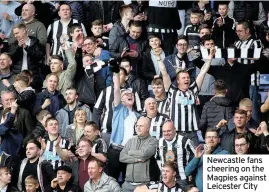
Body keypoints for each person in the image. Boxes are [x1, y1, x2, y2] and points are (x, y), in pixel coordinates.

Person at [157, 44, 215, 146]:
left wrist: (210, 58)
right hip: (176, 133)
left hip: (192, 133)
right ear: (178, 81)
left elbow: (203, 72)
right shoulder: (172, 90)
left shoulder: (193, 90)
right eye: (183, 78)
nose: (187, 79)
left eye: (188, 77)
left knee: (196, 158)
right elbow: (164, 72)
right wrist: (158, 57)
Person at [107, 68, 141, 181]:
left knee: (129, 181)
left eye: (131, 94)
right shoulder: (118, 109)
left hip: (130, 152)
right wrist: (115, 71)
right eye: (126, 94)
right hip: (116, 150)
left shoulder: (138, 116)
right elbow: (116, 89)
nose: (129, 95)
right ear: (120, 100)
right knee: (112, 181)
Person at [234, 20, 263, 123]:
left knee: (253, 110)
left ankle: (256, 135)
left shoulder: (256, 42)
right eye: (236, 31)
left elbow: (258, 58)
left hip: (252, 81)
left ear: (247, 30)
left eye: (240, 31)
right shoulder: (236, 43)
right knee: (240, 110)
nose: (237, 33)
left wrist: (240, 55)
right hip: (239, 82)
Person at [120, 116, 158, 191]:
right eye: (137, 125)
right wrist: (136, 159)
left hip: (143, 185)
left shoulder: (153, 141)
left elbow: (144, 154)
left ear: (148, 128)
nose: (138, 128)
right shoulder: (131, 140)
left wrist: (129, 152)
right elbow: (121, 157)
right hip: (127, 184)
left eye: (141, 126)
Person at [156, 120, 195, 190]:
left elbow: (196, 157)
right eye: (164, 131)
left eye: (168, 131)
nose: (166, 133)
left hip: (181, 179)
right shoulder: (159, 142)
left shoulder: (185, 141)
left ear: (174, 130)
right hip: (165, 179)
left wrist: (190, 172)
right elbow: (157, 158)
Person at [9, 23, 44, 91]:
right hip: (18, 76)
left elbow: (39, 56)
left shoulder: (35, 42)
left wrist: (26, 48)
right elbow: (11, 59)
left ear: (24, 31)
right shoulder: (14, 44)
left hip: (32, 76)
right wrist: (18, 47)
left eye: (17, 33)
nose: (15, 36)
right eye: (14, 34)